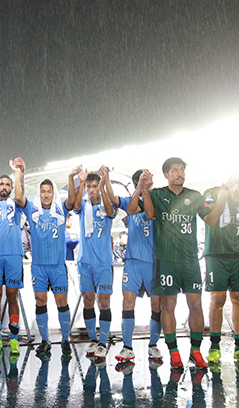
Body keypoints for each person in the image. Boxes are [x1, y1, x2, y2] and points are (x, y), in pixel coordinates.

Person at [127, 158, 228, 370]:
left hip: (190, 261)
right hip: (166, 261)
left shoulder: (194, 196)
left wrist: (222, 199)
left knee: (196, 305)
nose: (179, 173)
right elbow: (136, 210)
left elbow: (211, 220)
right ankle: (174, 353)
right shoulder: (157, 194)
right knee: (168, 306)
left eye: (182, 169)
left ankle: (196, 351)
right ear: (166, 175)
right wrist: (142, 188)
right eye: (175, 170)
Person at [14, 160, 78, 356]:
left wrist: (71, 178)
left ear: (54, 193)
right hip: (39, 267)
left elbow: (72, 200)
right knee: (40, 301)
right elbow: (18, 196)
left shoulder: (61, 209)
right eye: (43, 191)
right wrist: (19, 174)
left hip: (58, 267)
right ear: (39, 193)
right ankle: (45, 340)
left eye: (49, 191)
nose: (46, 194)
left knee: (62, 303)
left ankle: (65, 340)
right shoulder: (32, 210)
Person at [106, 169, 162, 364]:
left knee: (157, 305)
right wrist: (105, 179)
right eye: (141, 180)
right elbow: (113, 198)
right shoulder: (130, 201)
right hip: (132, 262)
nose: (147, 181)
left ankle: (153, 345)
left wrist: (145, 190)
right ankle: (127, 347)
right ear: (136, 182)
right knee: (127, 303)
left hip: (154, 262)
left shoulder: (159, 200)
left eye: (148, 179)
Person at [202, 176, 239, 366]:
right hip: (216, 254)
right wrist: (223, 197)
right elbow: (210, 220)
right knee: (217, 299)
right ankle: (214, 347)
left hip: (238, 254)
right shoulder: (211, 192)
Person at [73, 167, 117, 362]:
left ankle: (103, 342)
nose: (91, 190)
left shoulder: (107, 205)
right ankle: (93, 339)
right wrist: (80, 182)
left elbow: (111, 212)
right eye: (88, 187)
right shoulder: (83, 205)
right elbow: (74, 205)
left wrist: (104, 187)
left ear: (99, 187)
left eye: (94, 186)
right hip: (85, 263)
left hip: (103, 263)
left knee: (104, 302)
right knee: (88, 301)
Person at [0, 162, 26, 357]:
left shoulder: (16, 204)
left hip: (13, 255)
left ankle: (14, 339)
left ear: (11, 188)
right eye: (1, 184)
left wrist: (18, 173)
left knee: (12, 296)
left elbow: (20, 193)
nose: (4, 187)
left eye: (7, 184)